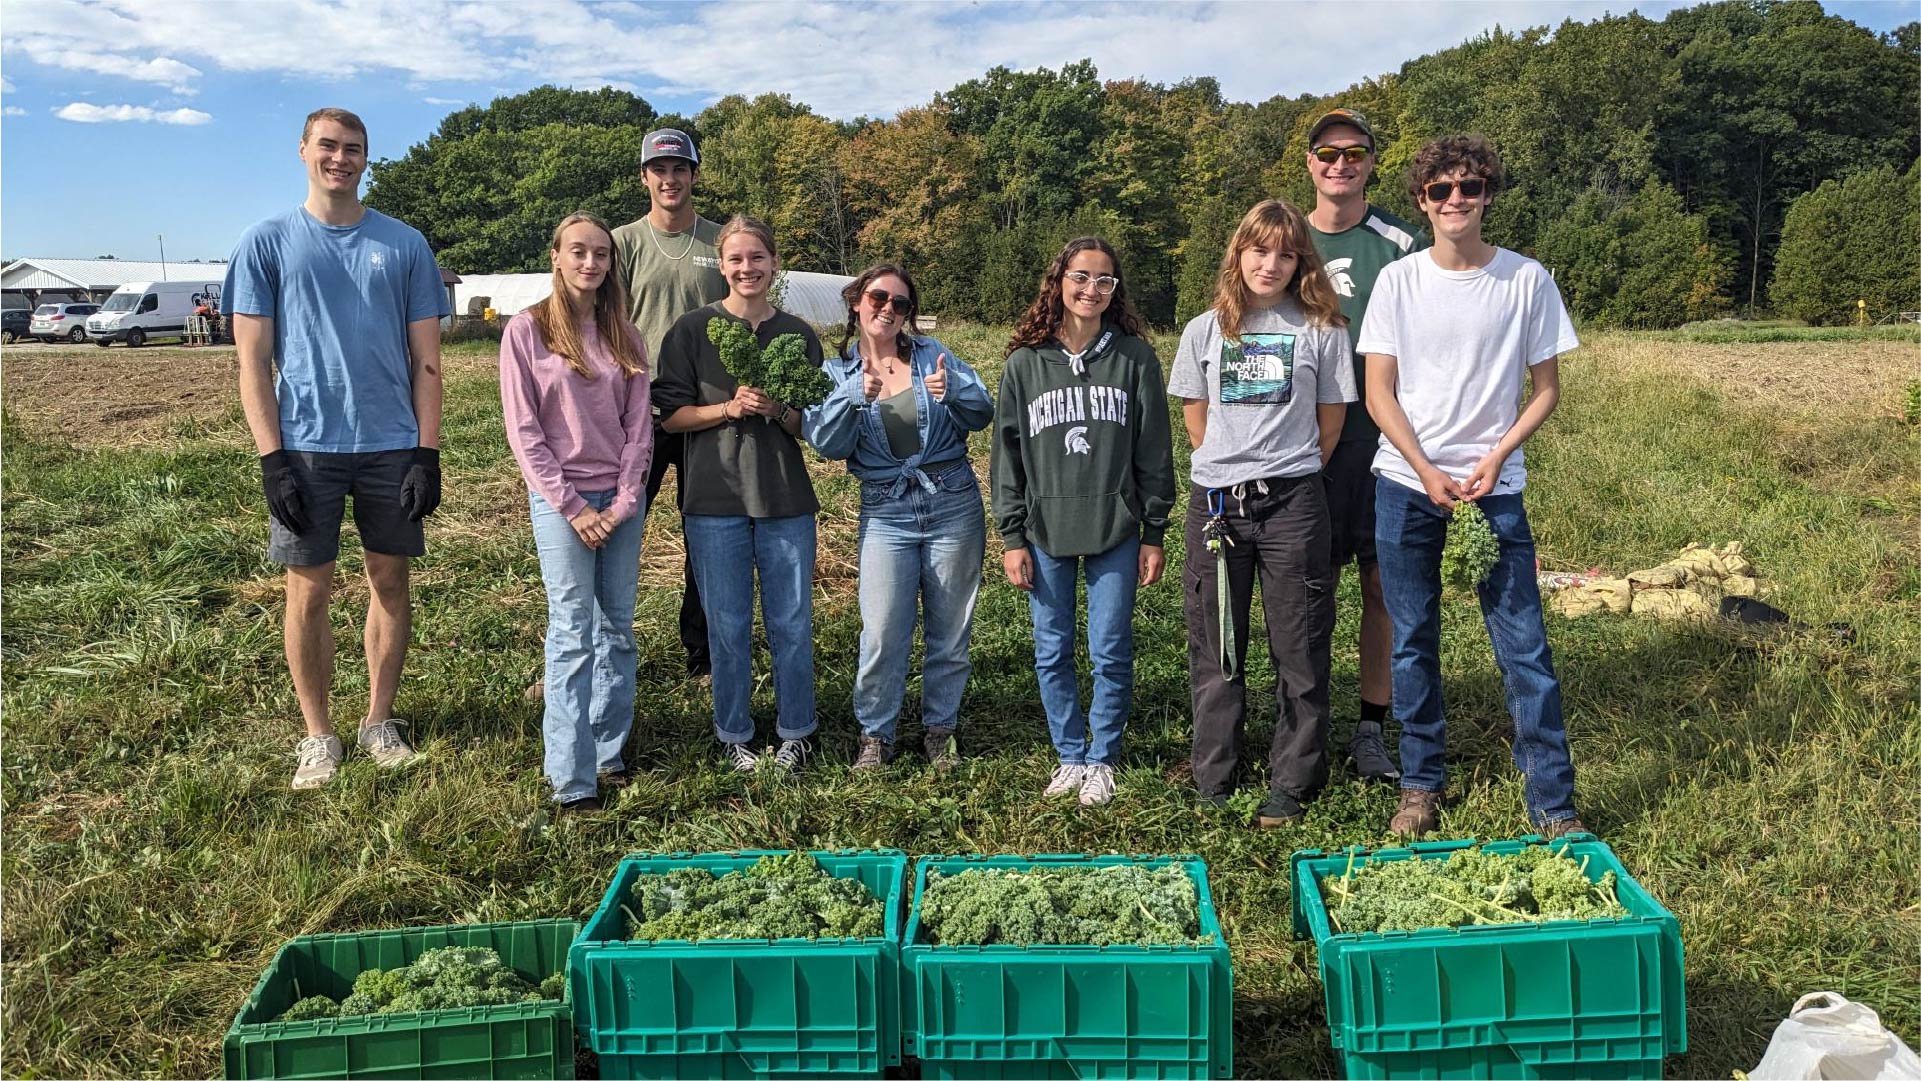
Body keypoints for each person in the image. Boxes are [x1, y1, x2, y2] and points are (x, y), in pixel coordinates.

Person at [1358, 134, 1587, 840]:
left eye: (1469, 188)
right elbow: (1376, 390)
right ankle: (1421, 784)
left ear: (1488, 195)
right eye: (1440, 190)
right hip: (1405, 484)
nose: (1455, 200)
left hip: (1494, 489)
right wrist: (1424, 467)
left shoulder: (1525, 280)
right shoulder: (1398, 281)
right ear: (1421, 202)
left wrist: (1497, 456)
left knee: (1523, 643)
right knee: (1412, 638)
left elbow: (1544, 389)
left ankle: (1553, 803)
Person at [225, 107, 449, 790]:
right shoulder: (266, 243)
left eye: (353, 149)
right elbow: (252, 362)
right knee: (309, 590)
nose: (340, 159)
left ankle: (379, 719)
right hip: (307, 448)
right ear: (303, 151)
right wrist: (272, 460)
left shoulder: (405, 244)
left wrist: (426, 451)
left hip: (390, 444)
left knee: (389, 580)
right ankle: (318, 733)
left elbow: (428, 361)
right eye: (328, 146)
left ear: (365, 159)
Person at [1169, 200, 1355, 827]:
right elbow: (1196, 414)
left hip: (1294, 504)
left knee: (1299, 643)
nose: (1270, 264)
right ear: (1238, 254)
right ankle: (1214, 774)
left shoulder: (1323, 329)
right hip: (1218, 505)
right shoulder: (1204, 330)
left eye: (1284, 252)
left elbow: (1331, 422)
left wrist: (1282, 467)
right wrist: (1229, 465)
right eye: (1259, 250)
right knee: (1218, 641)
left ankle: (1293, 778)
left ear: (1300, 259)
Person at [990, 237, 1176, 807]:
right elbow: (1008, 455)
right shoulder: (1025, 364)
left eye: (1103, 280)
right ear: (1059, 281)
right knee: (1051, 647)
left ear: (1115, 291)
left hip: (1115, 527)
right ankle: (1070, 753)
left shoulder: (1135, 359)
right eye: (1080, 276)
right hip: (1045, 529)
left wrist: (1152, 530)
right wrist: (1012, 534)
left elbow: (1153, 451)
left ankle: (1103, 758)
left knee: (1110, 647)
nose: (1090, 289)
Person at [653, 216, 825, 774]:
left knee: (792, 622)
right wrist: (728, 408)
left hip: (784, 498)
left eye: (757, 258)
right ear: (721, 265)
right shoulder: (692, 330)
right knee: (726, 623)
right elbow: (670, 416)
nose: (746, 269)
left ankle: (797, 730)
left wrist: (780, 411)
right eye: (735, 259)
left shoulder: (797, 334)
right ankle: (736, 734)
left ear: (774, 263)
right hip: (713, 497)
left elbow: (813, 424)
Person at [804, 265, 993, 772]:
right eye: (878, 297)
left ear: (909, 314)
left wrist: (953, 391)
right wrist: (850, 400)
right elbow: (826, 443)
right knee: (883, 629)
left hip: (951, 498)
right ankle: (876, 734)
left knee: (950, 628)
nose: (888, 309)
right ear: (855, 302)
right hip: (886, 508)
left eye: (900, 303)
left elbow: (983, 411)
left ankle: (940, 729)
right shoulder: (834, 373)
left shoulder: (935, 356)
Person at [499, 213, 653, 813]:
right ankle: (571, 777)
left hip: (618, 502)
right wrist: (569, 506)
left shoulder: (625, 334)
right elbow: (524, 429)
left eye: (601, 254)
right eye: (579, 253)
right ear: (557, 257)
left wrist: (622, 501)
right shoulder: (527, 330)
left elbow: (639, 426)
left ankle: (607, 751)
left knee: (616, 627)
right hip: (562, 503)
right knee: (571, 632)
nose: (591, 263)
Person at [1302, 107, 1430, 784]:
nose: (1339, 163)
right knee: (1308, 591)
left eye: (1353, 152)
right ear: (1309, 162)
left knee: (1382, 588)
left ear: (1371, 162)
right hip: (1304, 450)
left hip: (1384, 445)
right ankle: (1307, 721)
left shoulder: (1402, 244)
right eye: (1327, 152)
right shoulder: (1283, 241)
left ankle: (1373, 727)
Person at [610, 128, 726, 683]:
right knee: (619, 526)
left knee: (703, 534)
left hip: (708, 415)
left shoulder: (720, 242)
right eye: (659, 170)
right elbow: (607, 325)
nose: (670, 179)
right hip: (639, 414)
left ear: (694, 174)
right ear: (644, 177)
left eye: (680, 168)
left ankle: (702, 655)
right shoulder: (622, 243)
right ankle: (605, 647)